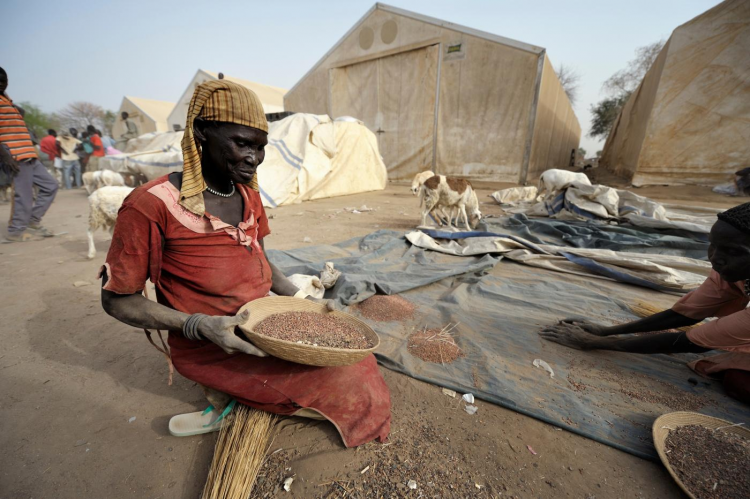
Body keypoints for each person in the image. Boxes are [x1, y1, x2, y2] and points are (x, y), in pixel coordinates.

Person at [99, 80, 391, 447]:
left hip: (268, 325)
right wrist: (199, 326)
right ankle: (233, 395)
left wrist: (306, 304)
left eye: (260, 147)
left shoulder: (247, 194)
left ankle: (257, 394)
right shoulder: (151, 205)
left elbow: (262, 261)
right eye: (241, 143)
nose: (253, 157)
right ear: (202, 133)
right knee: (351, 386)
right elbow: (116, 299)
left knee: (355, 359)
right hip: (215, 345)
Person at [540, 202, 750, 405]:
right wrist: (605, 331)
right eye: (713, 245)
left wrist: (592, 342)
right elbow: (685, 314)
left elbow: (693, 342)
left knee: (737, 383)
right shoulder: (729, 272)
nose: (715, 258)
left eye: (734, 252)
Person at [0, 67, 58, 241]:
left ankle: (32, 221)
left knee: (51, 185)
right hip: (14, 155)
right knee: (24, 195)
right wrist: (6, 157)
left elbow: (21, 113)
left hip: (29, 153)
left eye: (4, 81)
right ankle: (16, 231)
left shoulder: (6, 101)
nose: (2, 84)